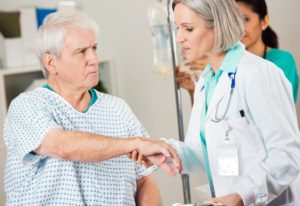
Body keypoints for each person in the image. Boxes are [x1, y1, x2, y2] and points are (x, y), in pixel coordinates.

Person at [3, 10, 180, 205]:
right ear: (51, 63)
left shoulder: (117, 109)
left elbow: (144, 181)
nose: (94, 59)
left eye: (94, 48)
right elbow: (63, 146)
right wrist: (134, 143)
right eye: (81, 52)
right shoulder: (27, 106)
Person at [132, 0, 300, 205]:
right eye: (178, 28)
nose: (179, 38)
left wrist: (243, 196)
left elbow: (287, 154)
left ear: (218, 26)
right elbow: (203, 152)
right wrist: (167, 151)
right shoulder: (206, 81)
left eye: (188, 28)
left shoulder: (259, 73)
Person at [177, 0, 299, 103]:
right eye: (233, 19)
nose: (238, 26)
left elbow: (266, 110)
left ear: (264, 21)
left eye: (245, 19)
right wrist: (196, 89)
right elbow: (209, 122)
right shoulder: (217, 68)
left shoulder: (279, 63)